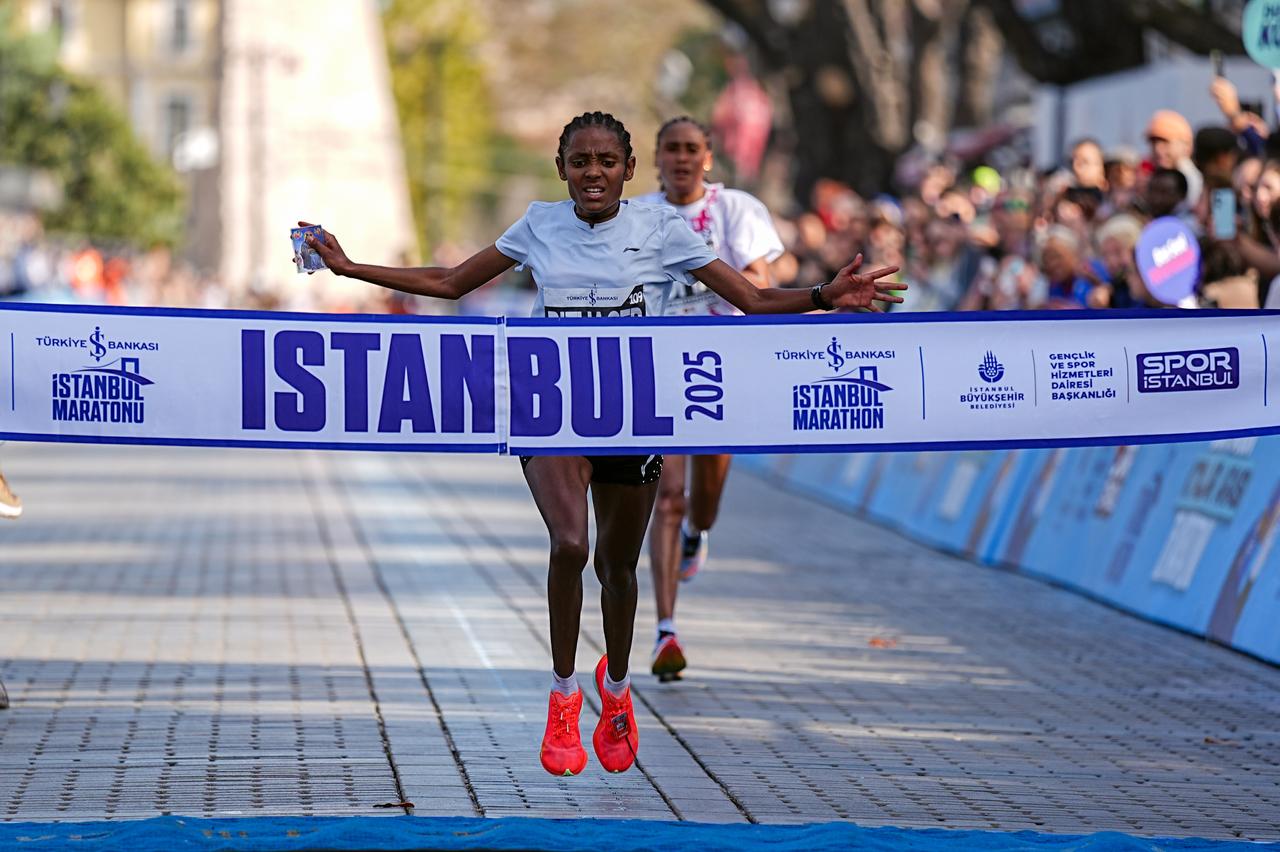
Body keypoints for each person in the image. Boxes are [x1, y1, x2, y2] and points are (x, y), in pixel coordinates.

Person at [299, 111, 905, 777]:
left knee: (617, 571)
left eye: (607, 162)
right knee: (570, 545)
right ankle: (563, 697)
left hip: (631, 415)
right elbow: (451, 282)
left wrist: (824, 294)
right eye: (581, 161)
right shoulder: (539, 224)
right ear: (561, 169)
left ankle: (615, 688)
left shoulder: (661, 229)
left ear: (628, 170)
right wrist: (349, 268)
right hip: (550, 411)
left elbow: (752, 300)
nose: (593, 173)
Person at [635, 116, 785, 683]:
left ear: (708, 158)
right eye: (670, 148)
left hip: (724, 364)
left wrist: (707, 275)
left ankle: (699, 532)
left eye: (690, 148)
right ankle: (665, 629)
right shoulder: (637, 215)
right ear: (656, 158)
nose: (680, 158)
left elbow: (759, 283)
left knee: (705, 497)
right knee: (667, 497)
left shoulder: (735, 209)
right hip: (662, 365)